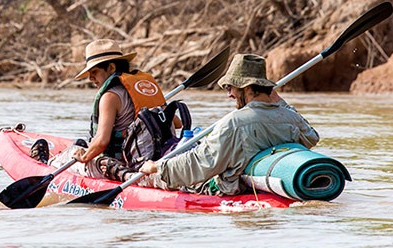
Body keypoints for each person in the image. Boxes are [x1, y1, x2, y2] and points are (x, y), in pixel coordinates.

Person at [136, 53, 320, 195]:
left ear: (247, 88)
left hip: (229, 187)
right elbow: (312, 137)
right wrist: (280, 102)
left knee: (145, 178)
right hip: (264, 181)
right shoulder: (290, 116)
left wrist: (157, 167)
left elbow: (200, 163)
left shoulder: (233, 122)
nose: (229, 94)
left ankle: (127, 175)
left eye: (230, 87)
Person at [30, 39, 170, 180]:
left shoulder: (110, 96)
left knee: (71, 153)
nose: (91, 78)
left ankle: (45, 164)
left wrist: (83, 156)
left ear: (111, 68)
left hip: (122, 166)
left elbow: (102, 141)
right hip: (157, 160)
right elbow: (176, 123)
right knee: (83, 143)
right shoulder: (144, 89)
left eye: (94, 72)